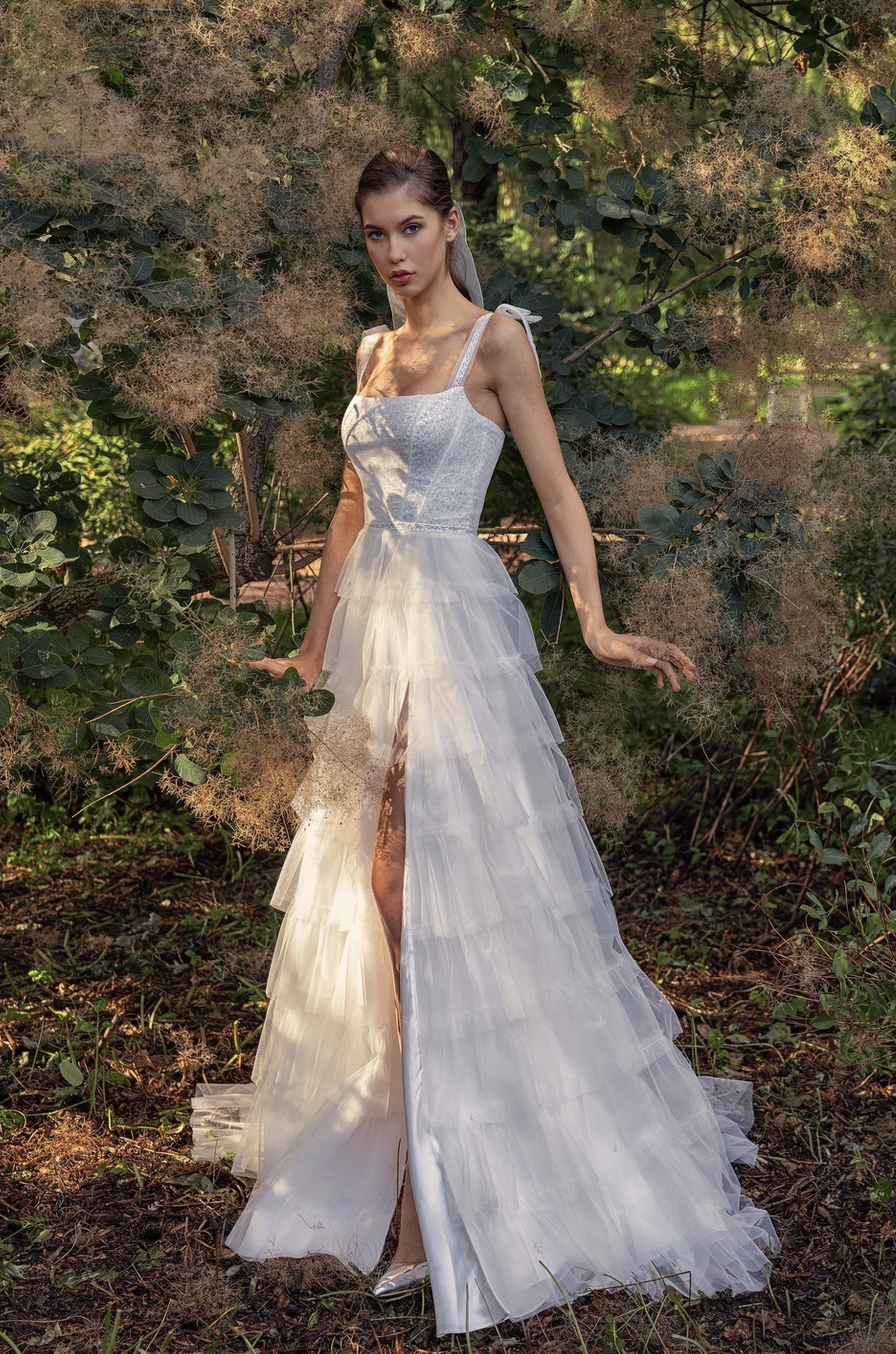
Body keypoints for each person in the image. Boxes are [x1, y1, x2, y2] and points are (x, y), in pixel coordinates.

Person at [191, 144, 781, 1339]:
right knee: (374, 889)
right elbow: (348, 505)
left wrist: (597, 624)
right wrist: (309, 651)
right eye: (375, 233)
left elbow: (555, 491)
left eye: (410, 228)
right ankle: (410, 1128)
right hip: (372, 631)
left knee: (426, 885)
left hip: (452, 628)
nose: (393, 252)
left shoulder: (493, 342)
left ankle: (432, 1196)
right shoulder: (371, 351)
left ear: (449, 225)